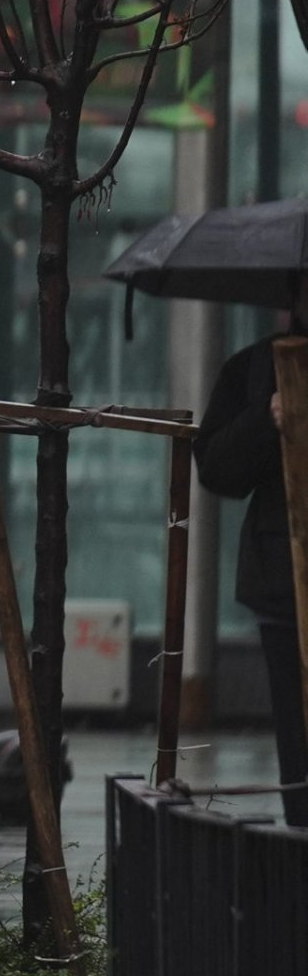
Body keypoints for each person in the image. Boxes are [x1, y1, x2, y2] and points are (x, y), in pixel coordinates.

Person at [194, 301, 308, 828]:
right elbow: (217, 467)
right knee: (297, 731)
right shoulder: (259, 365)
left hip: (280, 572)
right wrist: (268, 417)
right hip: (285, 578)